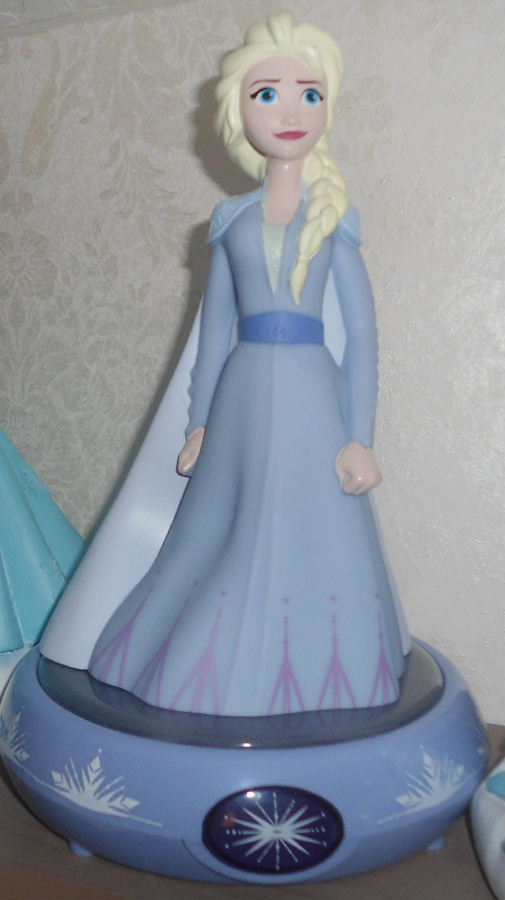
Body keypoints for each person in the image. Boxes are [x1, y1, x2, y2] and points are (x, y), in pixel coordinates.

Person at [46, 13, 411, 715]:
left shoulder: (334, 217)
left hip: (311, 394)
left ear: (328, 107)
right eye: (266, 93)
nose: (289, 111)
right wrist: (199, 423)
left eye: (309, 94)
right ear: (237, 111)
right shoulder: (231, 221)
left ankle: (318, 672)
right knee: (223, 525)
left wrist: (359, 437)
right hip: (241, 392)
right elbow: (213, 332)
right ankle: (195, 661)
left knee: (312, 527)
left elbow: (363, 335)